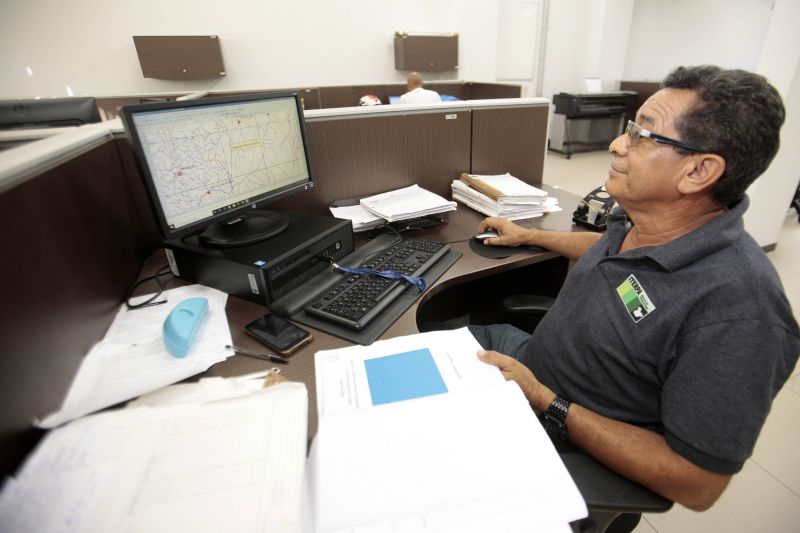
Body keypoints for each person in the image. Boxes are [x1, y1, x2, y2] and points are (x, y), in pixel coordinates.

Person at [471, 65, 800, 515]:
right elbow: (610, 255)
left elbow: (698, 483)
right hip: (528, 364)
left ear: (699, 171)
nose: (617, 144)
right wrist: (530, 235)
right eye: (630, 128)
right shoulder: (643, 220)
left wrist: (544, 399)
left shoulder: (739, 311)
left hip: (556, 429)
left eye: (643, 135)